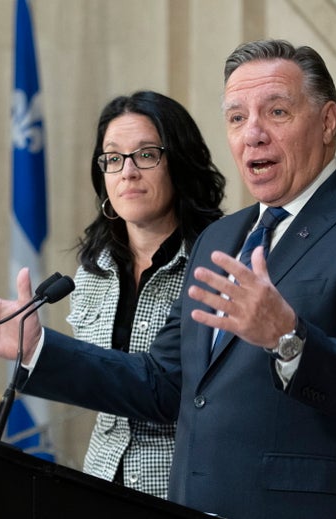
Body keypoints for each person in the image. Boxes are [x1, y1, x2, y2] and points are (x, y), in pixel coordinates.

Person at [0, 39, 336, 518]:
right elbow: (165, 384)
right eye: (237, 118)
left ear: (328, 121)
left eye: (277, 112)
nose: (253, 133)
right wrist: (37, 347)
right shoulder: (222, 239)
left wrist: (287, 337)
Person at [64, 91, 225, 497]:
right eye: (113, 158)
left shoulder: (218, 265)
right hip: (100, 483)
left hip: (184, 491)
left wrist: (44, 352)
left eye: (146, 155)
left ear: (180, 164)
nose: (127, 172)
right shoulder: (91, 272)